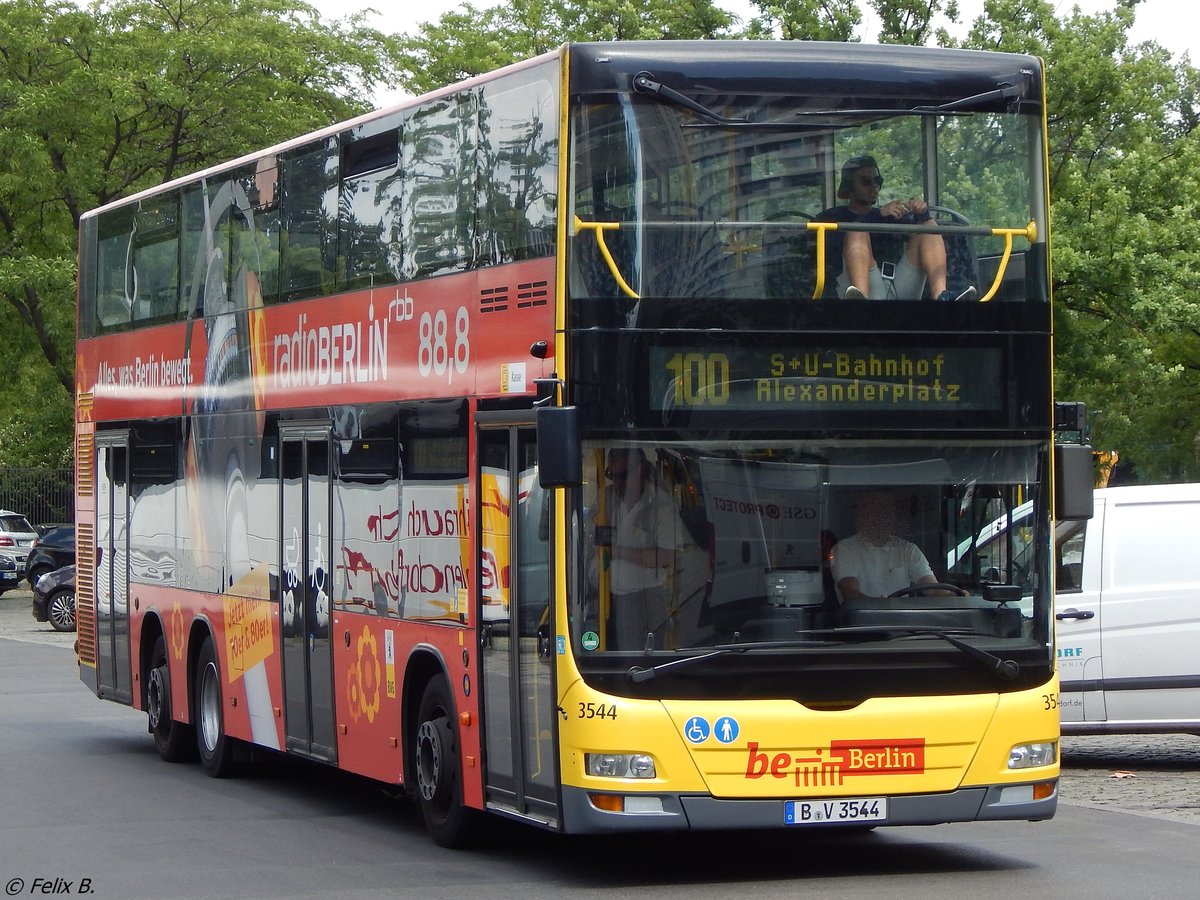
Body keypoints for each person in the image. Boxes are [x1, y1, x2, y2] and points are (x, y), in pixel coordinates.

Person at [816, 155, 976, 302]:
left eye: (877, 180)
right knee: (856, 232)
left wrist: (920, 211)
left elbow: (920, 231)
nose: (874, 186)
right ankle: (860, 301)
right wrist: (879, 216)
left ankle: (942, 296)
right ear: (850, 185)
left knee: (928, 227)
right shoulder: (831, 217)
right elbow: (834, 252)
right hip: (860, 287)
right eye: (866, 181)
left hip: (898, 283)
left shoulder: (887, 215)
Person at [599, 448, 707, 648]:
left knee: (634, 657)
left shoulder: (660, 506)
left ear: (639, 470)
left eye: (622, 476)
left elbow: (667, 556)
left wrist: (618, 551)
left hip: (641, 599)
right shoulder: (607, 499)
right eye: (611, 475)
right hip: (604, 595)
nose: (617, 482)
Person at [831, 492, 959, 603]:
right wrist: (876, 606)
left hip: (902, 624)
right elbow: (849, 592)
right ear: (862, 515)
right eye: (873, 510)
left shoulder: (908, 550)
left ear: (894, 517)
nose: (880, 517)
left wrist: (955, 596)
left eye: (886, 511)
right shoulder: (844, 549)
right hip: (859, 626)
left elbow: (932, 588)